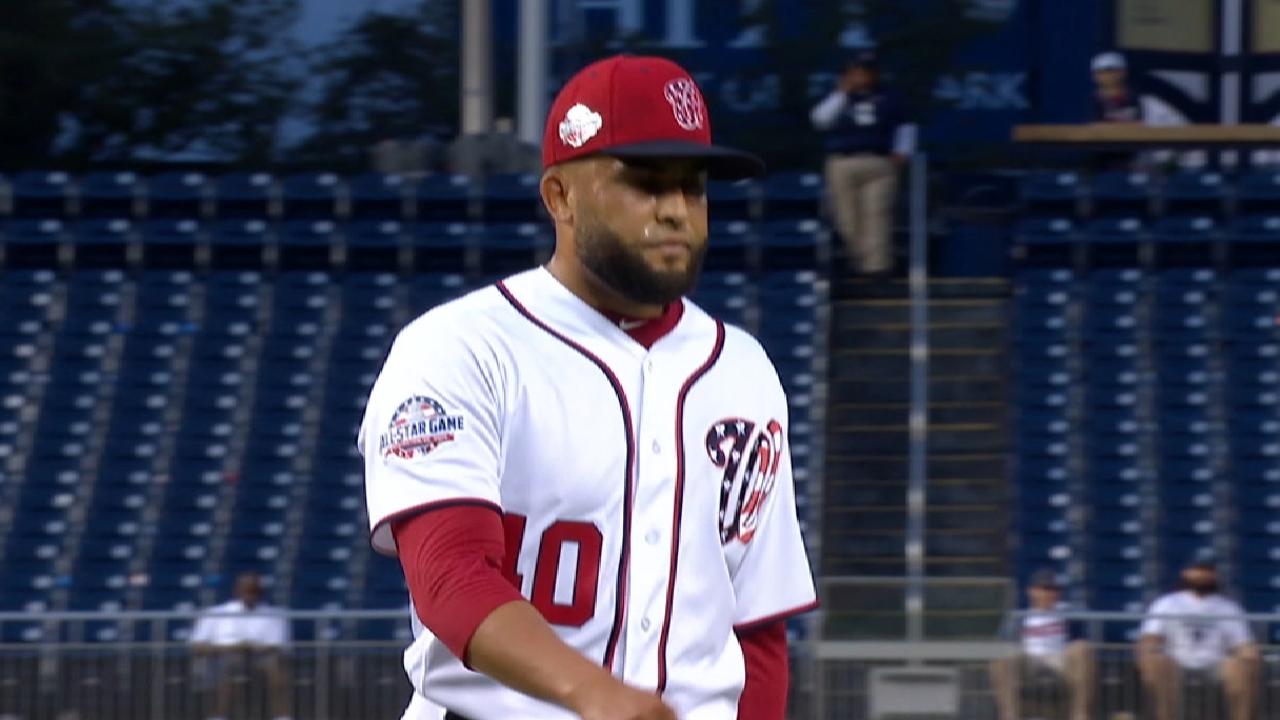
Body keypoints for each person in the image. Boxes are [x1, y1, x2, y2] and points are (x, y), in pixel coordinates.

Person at [360, 53, 817, 720]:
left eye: (692, 188)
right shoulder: (460, 349)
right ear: (560, 197)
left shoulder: (744, 371)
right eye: (645, 184)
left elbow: (756, 624)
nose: (675, 211)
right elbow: (450, 576)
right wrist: (595, 693)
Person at [810, 50, 915, 276]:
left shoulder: (890, 96)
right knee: (846, 218)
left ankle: (876, 269)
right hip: (843, 161)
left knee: (877, 215)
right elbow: (820, 120)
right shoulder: (838, 96)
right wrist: (841, 94)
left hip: (879, 161)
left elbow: (905, 125)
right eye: (857, 71)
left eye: (867, 71)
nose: (862, 76)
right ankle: (858, 262)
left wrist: (903, 151)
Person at [1137, 560, 1260, 720]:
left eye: (1207, 570)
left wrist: (1249, 655)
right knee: (1158, 663)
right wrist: (1149, 652)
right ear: (1186, 573)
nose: (1202, 575)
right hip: (1176, 662)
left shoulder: (1228, 607)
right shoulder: (1167, 603)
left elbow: (1243, 644)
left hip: (1216, 663)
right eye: (1198, 570)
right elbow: (1150, 638)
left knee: (1242, 667)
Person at [988, 569, 1094, 720]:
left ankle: (1080, 715)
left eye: (1053, 589)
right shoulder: (1019, 618)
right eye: (1044, 588)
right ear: (1032, 591)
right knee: (1002, 655)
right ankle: (1008, 715)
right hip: (1030, 660)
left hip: (1059, 660)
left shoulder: (1069, 613)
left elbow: (1080, 639)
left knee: (1082, 648)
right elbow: (1004, 641)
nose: (1048, 593)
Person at [189, 573, 292, 720]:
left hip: (261, 658)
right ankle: (218, 716)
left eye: (254, 591)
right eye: (246, 591)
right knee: (227, 666)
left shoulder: (275, 615)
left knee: (277, 669)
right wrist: (230, 648)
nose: (250, 595)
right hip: (220, 657)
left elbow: (278, 646)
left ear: (261, 592)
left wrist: (253, 647)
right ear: (237, 591)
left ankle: (282, 717)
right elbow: (197, 646)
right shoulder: (216, 613)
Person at [1089, 51, 1204, 171]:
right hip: (1103, 162)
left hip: (1142, 161)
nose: (1108, 75)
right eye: (1102, 71)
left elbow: (1181, 127)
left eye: (1111, 70)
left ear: (1123, 72)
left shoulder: (1143, 101)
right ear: (1095, 75)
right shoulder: (1091, 102)